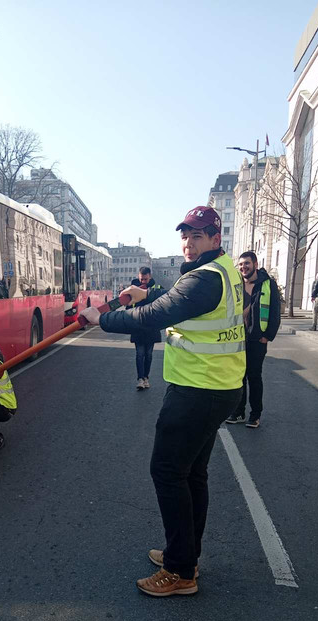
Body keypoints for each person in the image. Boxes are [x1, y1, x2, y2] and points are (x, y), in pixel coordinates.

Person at [81, 206, 245, 597]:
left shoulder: (204, 279)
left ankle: (179, 571)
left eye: (197, 236)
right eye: (185, 235)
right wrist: (146, 292)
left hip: (198, 390)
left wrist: (99, 319)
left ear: (215, 239)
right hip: (218, 386)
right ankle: (185, 553)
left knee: (168, 472)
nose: (188, 243)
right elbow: (177, 300)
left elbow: (154, 315)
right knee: (192, 474)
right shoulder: (223, 270)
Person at [225, 251, 281, 428]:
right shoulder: (236, 284)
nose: (243, 267)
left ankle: (255, 415)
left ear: (255, 264)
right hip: (238, 338)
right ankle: (238, 412)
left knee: (254, 377)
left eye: (247, 263)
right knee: (238, 377)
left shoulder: (267, 283)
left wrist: (267, 336)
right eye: (240, 264)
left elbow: (275, 311)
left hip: (258, 338)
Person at [127, 267, 165, 390]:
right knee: (139, 354)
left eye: (146, 279)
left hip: (151, 327)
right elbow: (127, 308)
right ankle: (140, 379)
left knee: (148, 355)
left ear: (150, 277)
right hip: (138, 326)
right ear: (138, 277)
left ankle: (146, 378)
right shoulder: (132, 290)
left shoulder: (157, 289)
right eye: (141, 279)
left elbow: (164, 305)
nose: (143, 281)